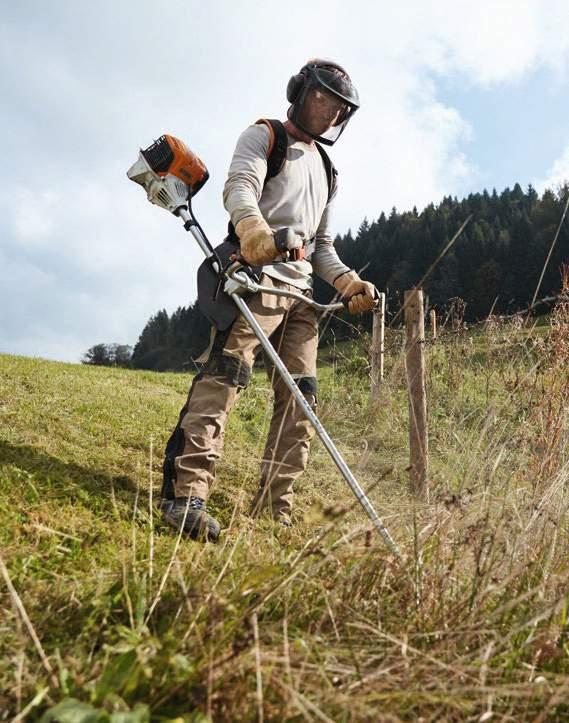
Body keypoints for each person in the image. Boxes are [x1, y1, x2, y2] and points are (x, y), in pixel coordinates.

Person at [160, 59, 376, 542]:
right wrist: (254, 232)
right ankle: (186, 496)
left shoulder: (328, 170)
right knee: (225, 378)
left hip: (301, 297)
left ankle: (274, 509)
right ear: (300, 92)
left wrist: (348, 284)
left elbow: (322, 247)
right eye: (325, 98)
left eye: (342, 107)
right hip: (255, 278)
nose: (333, 112)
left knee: (302, 400)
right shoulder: (266, 137)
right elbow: (239, 189)